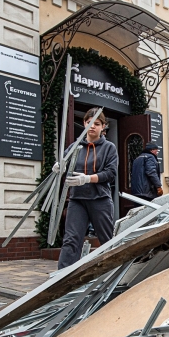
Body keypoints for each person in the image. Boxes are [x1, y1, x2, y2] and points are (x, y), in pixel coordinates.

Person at [57, 108, 118, 270]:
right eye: (89, 122)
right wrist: (59, 167)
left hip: (100, 199)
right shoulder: (75, 147)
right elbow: (65, 163)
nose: (92, 126)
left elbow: (110, 174)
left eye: (97, 123)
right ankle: (62, 280)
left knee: (106, 240)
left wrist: (87, 179)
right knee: (71, 240)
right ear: (84, 123)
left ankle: (112, 275)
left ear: (103, 126)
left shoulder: (109, 148)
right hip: (78, 200)